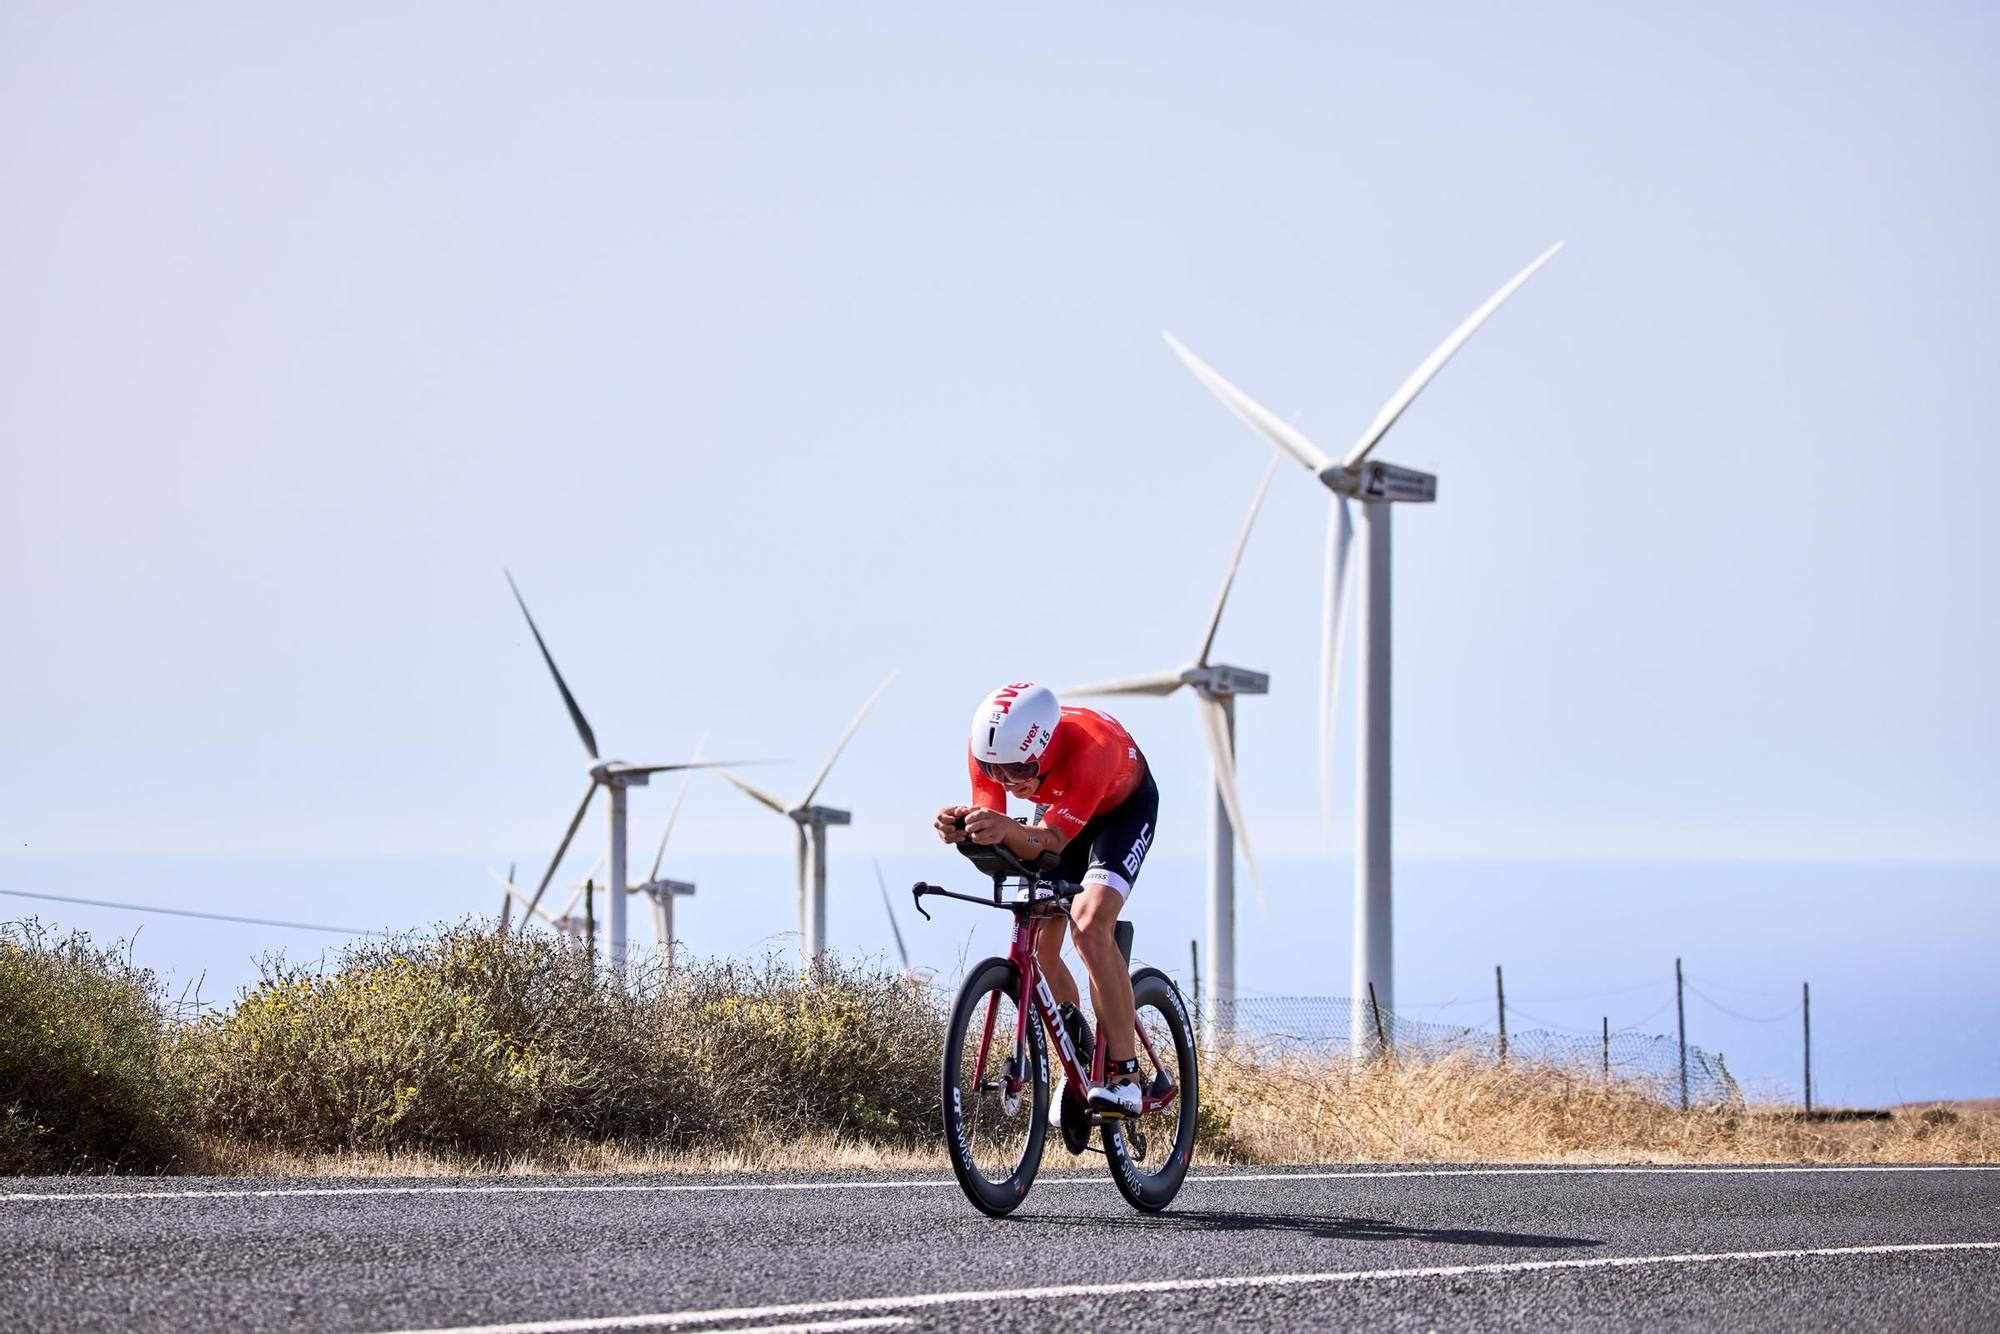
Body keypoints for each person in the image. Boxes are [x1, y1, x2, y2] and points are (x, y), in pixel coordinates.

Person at [935, 682, 1158, 1115]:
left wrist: (1007, 828)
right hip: (1060, 808)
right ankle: (1078, 1058)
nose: (1006, 782)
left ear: (1045, 747)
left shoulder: (1092, 748)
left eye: (1018, 772)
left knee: (1090, 926)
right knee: (1037, 945)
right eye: (993, 769)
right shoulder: (995, 749)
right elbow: (995, 812)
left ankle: (1127, 1075)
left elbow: (1051, 840)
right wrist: (964, 826)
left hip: (1119, 814)